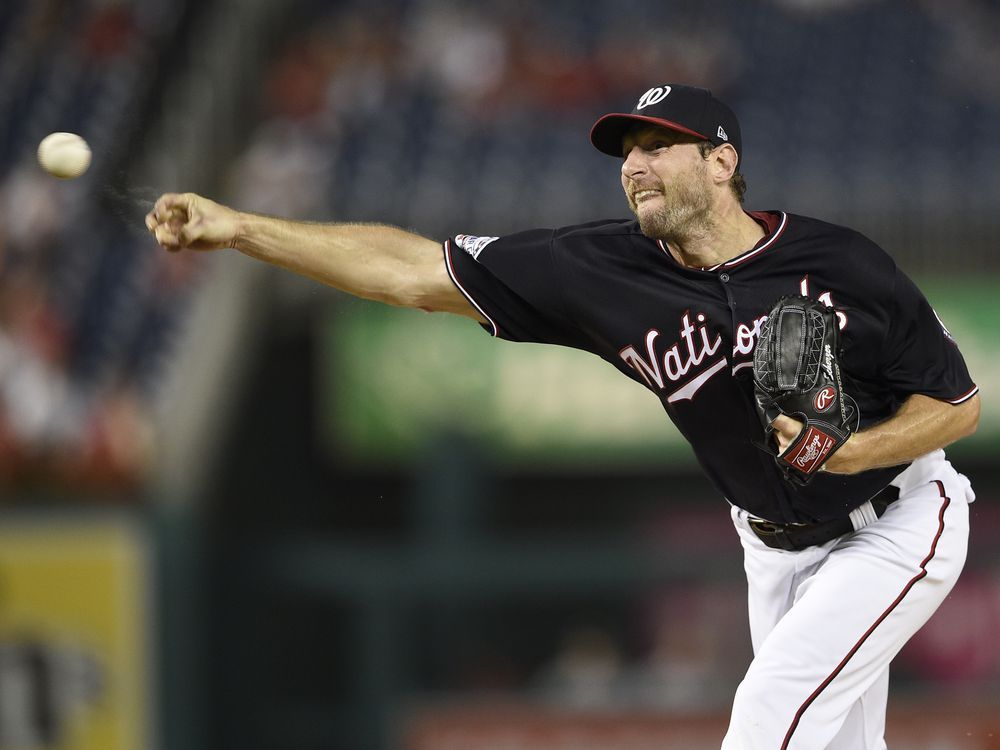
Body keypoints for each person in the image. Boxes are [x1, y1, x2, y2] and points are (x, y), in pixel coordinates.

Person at [146, 83, 980, 749]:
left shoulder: (838, 262)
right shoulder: (597, 269)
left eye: (659, 146)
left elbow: (957, 405)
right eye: (627, 152)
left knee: (768, 714)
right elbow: (411, 272)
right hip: (772, 549)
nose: (635, 164)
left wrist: (856, 448)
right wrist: (242, 229)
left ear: (722, 162)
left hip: (898, 519)